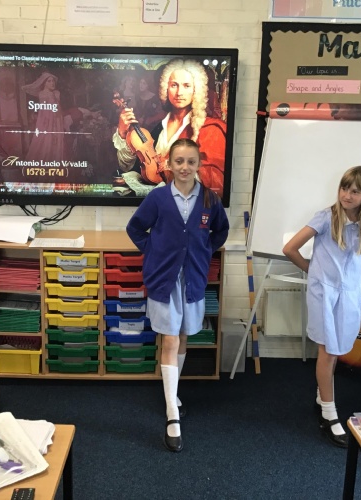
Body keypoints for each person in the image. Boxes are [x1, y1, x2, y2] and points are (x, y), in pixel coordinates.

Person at [126, 138, 229, 452]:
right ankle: (172, 414)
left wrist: (204, 252)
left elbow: (220, 231)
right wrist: (153, 251)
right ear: (169, 164)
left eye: (191, 161)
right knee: (170, 339)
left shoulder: (210, 199)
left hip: (193, 279)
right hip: (164, 279)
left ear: (198, 164)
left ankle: (172, 393)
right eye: (179, 161)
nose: (185, 167)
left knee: (183, 337)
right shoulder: (157, 198)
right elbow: (135, 229)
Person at [283, 166, 361, 448]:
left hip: (349, 295)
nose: (346, 195)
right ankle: (329, 413)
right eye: (344, 188)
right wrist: (313, 270)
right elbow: (290, 248)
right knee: (327, 352)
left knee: (337, 348)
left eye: (355, 191)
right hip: (323, 294)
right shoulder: (326, 217)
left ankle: (321, 397)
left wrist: (351, 272)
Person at [114, 59, 227, 197]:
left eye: (186, 86)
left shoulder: (211, 129)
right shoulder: (157, 127)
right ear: (166, 88)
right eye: (174, 85)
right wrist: (123, 133)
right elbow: (129, 166)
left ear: (196, 90)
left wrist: (171, 167)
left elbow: (216, 183)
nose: (179, 92)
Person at [22, 72, 64, 163]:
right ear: (44, 83)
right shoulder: (43, 94)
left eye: (53, 81)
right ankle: (44, 162)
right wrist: (47, 122)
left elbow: (58, 109)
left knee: (56, 141)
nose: (52, 83)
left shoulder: (57, 93)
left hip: (57, 120)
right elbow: (44, 110)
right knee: (46, 140)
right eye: (49, 81)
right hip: (47, 120)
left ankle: (55, 162)